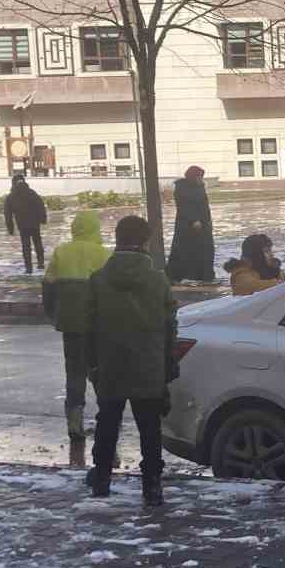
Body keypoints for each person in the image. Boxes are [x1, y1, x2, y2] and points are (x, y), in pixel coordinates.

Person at [85, 215, 178, 507]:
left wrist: (93, 365)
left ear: (117, 238)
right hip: (149, 364)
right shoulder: (158, 279)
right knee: (149, 428)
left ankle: (101, 481)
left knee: (107, 422)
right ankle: (152, 487)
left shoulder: (99, 279)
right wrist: (168, 365)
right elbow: (169, 326)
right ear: (145, 241)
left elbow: (88, 327)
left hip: (110, 364)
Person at [43, 210, 112, 450]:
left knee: (74, 372)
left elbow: (48, 287)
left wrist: (54, 314)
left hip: (71, 324)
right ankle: (107, 420)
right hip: (99, 326)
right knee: (101, 372)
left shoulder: (62, 252)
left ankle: (75, 421)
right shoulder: (104, 254)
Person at [167, 166, 216, 283]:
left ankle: (204, 275)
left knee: (205, 249)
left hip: (204, 224)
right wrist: (194, 220)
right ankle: (186, 275)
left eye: (201, 176)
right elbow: (183, 206)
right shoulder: (182, 187)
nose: (200, 178)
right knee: (188, 250)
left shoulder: (200, 186)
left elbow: (203, 205)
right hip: (188, 226)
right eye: (198, 176)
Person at [4, 174, 48, 274]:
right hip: (35, 223)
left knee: (26, 245)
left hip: (22, 225)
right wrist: (43, 219)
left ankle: (28, 268)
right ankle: (41, 264)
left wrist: (11, 229)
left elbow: (8, 215)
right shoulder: (32, 193)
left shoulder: (11, 197)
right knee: (38, 242)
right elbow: (41, 206)